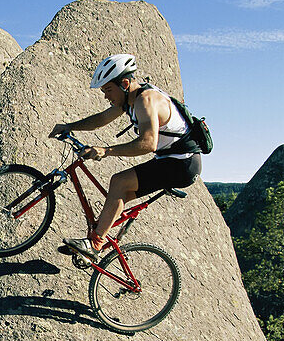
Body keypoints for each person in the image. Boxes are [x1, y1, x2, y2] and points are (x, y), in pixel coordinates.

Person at [50, 53, 201, 260]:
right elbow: (102, 118)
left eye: (108, 90)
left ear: (124, 83)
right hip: (170, 160)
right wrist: (70, 126)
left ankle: (94, 244)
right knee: (118, 195)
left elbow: (148, 143)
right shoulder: (129, 99)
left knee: (119, 182)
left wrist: (106, 150)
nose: (106, 96)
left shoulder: (146, 101)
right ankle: (94, 243)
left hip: (182, 163)